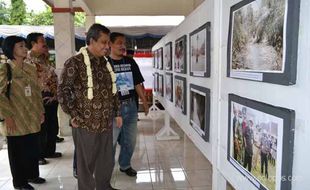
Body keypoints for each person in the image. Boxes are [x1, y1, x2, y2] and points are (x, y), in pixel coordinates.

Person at [58, 23, 122, 190]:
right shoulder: (75, 63)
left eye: (108, 42)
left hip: (105, 121)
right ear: (91, 41)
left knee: (106, 158)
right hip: (85, 122)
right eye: (104, 42)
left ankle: (104, 186)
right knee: (86, 163)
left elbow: (113, 90)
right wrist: (74, 116)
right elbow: (63, 91)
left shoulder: (105, 63)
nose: (107, 46)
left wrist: (117, 112)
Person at [0, 36, 46, 190]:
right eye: (21, 46)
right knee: (17, 151)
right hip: (14, 117)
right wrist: (8, 116)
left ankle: (33, 174)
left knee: (32, 147)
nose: (25, 49)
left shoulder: (30, 68)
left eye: (25, 46)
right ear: (11, 49)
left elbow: (37, 92)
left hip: (31, 115)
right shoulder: (5, 68)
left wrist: (40, 111)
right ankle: (19, 182)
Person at [109, 32, 149, 177]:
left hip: (131, 106)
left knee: (130, 140)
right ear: (110, 44)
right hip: (113, 108)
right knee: (111, 142)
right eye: (119, 43)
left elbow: (137, 83)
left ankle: (125, 165)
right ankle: (107, 168)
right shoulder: (105, 63)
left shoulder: (130, 62)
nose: (123, 46)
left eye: (124, 43)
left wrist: (144, 102)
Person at [25, 33, 62, 165]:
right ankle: (39, 155)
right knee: (41, 128)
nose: (45, 43)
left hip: (52, 97)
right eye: (42, 41)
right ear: (33, 44)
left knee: (52, 126)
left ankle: (49, 151)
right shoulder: (27, 59)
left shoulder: (44, 58)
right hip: (39, 98)